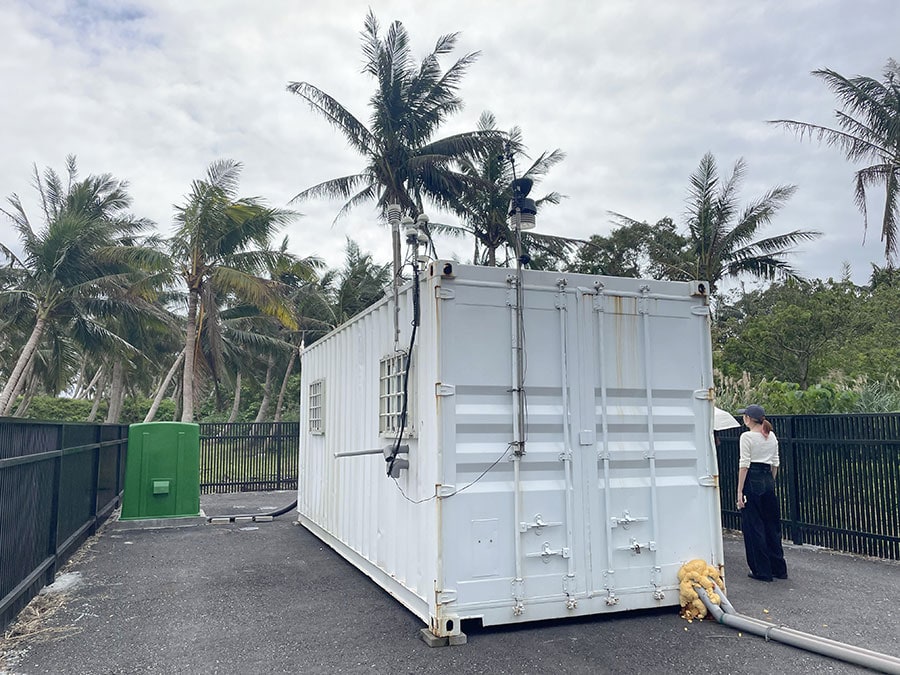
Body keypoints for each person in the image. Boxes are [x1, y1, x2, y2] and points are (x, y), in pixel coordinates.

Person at [735, 404, 788, 582]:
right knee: (772, 526)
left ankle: (762, 570)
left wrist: (740, 491)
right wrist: (770, 481)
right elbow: (775, 463)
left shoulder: (746, 437)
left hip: (752, 479)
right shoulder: (770, 435)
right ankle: (779, 568)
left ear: (748, 419)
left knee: (754, 526)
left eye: (745, 416)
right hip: (767, 478)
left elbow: (744, 465)